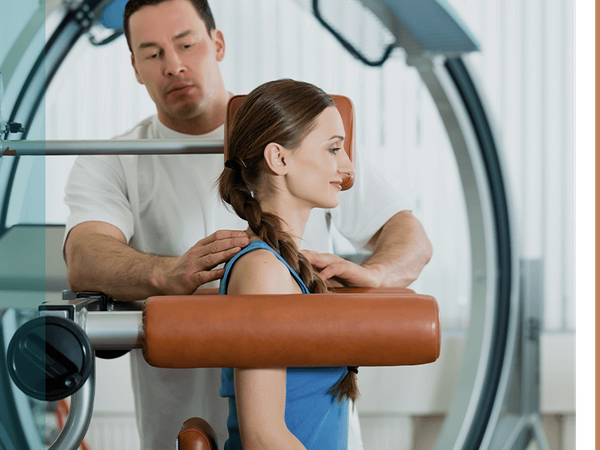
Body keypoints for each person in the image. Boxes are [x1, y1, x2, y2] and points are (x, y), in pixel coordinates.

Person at [62, 0, 433, 448]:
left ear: (217, 43)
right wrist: (166, 274)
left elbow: (410, 237)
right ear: (135, 67)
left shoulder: (297, 131)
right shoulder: (113, 161)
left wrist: (375, 275)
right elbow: (84, 256)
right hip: (188, 423)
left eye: (186, 43)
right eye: (153, 53)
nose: (174, 65)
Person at [217, 78, 358, 450]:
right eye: (333, 149)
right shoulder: (262, 271)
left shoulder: (282, 267)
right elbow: (264, 437)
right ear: (279, 158)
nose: (346, 166)